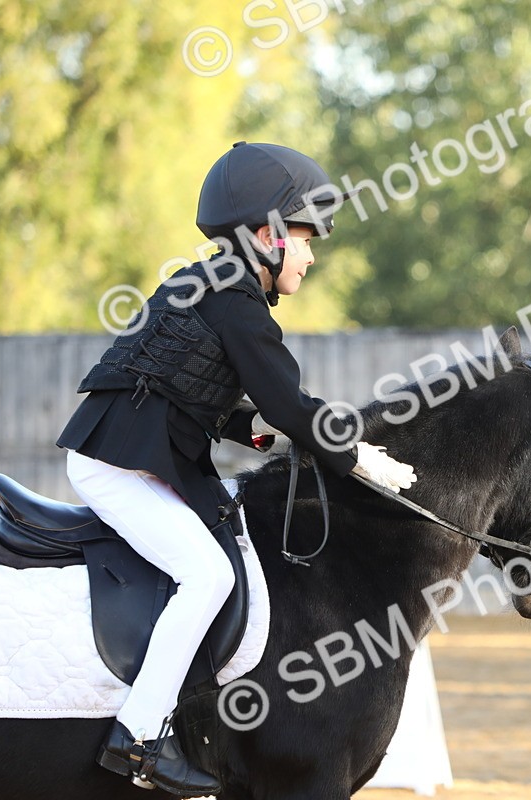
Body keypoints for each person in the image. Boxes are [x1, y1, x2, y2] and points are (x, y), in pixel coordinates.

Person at [57, 142, 417, 796]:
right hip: (118, 467)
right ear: (266, 236)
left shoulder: (213, 284)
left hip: (132, 455)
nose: (311, 256)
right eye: (304, 241)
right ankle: (135, 739)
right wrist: (357, 454)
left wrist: (245, 425)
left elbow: (183, 384)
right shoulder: (236, 300)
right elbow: (289, 400)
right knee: (208, 575)